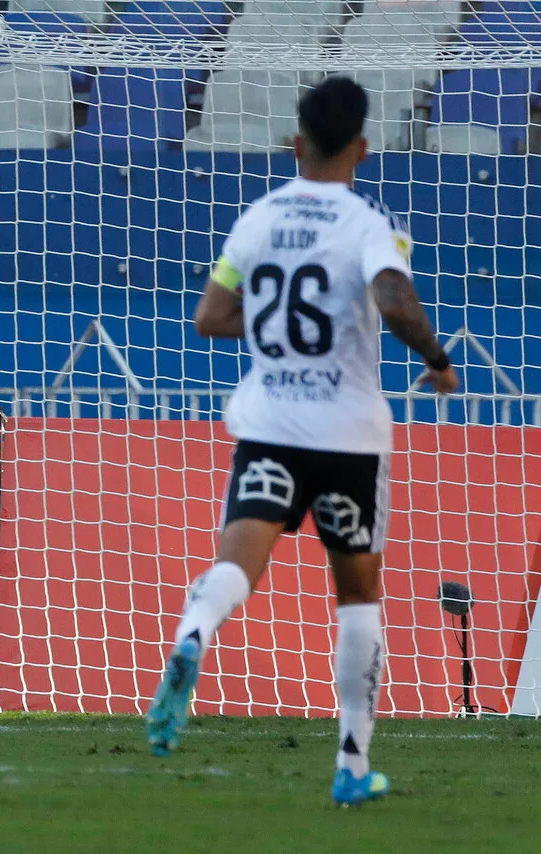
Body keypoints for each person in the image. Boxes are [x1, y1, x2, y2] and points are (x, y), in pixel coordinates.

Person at [144, 77, 459, 807]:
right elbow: (395, 300)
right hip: (348, 435)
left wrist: (274, 330)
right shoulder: (368, 223)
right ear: (362, 148)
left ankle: (194, 633)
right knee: (358, 593)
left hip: (271, 426)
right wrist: (437, 359)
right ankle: (352, 764)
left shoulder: (257, 219)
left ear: (296, 143)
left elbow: (210, 317)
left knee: (236, 565)